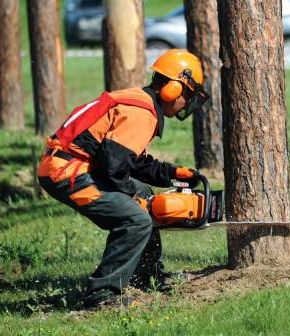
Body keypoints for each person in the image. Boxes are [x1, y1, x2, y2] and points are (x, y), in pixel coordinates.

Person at [37, 49, 209, 309]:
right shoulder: (142, 113)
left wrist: (172, 173)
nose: (186, 103)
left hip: (77, 166)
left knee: (145, 194)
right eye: (187, 95)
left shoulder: (139, 102)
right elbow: (113, 167)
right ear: (173, 89)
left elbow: (128, 160)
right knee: (137, 219)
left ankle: (146, 276)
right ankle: (101, 295)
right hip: (66, 173)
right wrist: (136, 201)